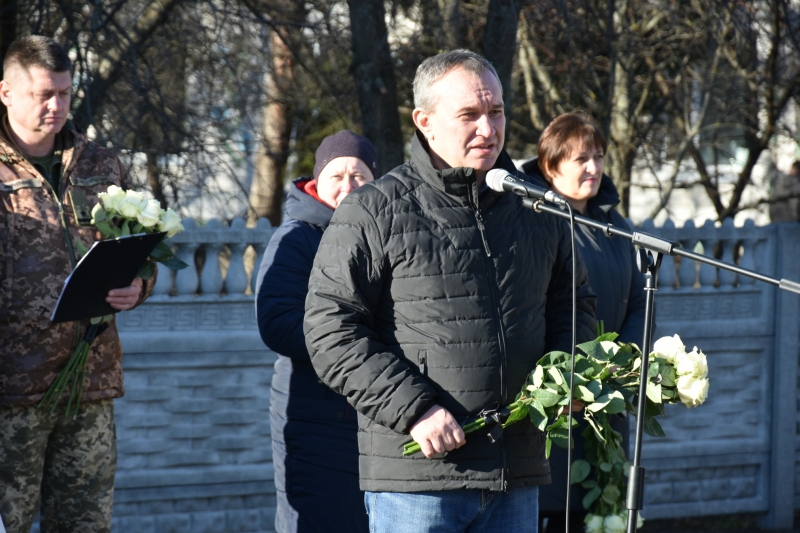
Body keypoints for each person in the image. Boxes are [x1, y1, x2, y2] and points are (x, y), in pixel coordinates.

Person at [303, 49, 596, 533]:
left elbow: (573, 303)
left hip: (514, 473)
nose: (488, 128)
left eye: (496, 111)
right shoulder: (373, 210)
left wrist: (564, 376)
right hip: (419, 480)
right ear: (425, 121)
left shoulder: (537, 208)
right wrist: (415, 409)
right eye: (469, 115)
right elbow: (330, 331)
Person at [0, 36, 154, 533]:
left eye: (65, 94)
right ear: (5, 92)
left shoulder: (100, 164)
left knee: (85, 526)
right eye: (44, 94)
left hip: (88, 380)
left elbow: (137, 247)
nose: (57, 106)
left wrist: (139, 284)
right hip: (11, 389)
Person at [521, 112, 647, 532]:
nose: (593, 168)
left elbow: (641, 300)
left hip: (610, 394)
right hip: (561, 397)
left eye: (598, 157)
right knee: (560, 508)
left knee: (604, 504)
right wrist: (572, 372)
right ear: (551, 167)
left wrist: (623, 362)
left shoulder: (618, 227)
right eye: (580, 159)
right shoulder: (534, 221)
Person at [255, 130, 378, 533]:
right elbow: (277, 322)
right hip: (315, 416)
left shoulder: (385, 235)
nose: (348, 187)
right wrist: (353, 345)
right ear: (316, 182)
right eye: (336, 176)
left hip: (373, 416)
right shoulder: (295, 239)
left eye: (359, 176)